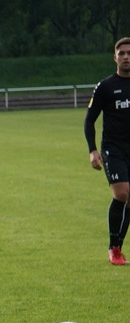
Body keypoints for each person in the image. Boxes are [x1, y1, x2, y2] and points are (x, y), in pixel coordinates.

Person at [86, 37, 130, 265]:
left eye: (129, 53)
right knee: (122, 193)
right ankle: (113, 249)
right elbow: (89, 120)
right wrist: (93, 150)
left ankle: (118, 248)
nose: (126, 57)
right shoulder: (106, 87)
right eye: (121, 53)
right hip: (113, 149)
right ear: (115, 57)